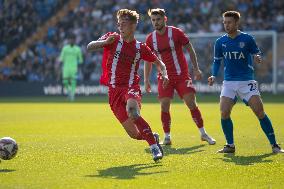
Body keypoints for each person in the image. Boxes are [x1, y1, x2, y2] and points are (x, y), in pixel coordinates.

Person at [87, 9, 169, 161]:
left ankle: (154, 148)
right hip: (113, 92)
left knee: (133, 111)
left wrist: (164, 73)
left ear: (133, 26)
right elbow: (89, 46)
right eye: (119, 24)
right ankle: (153, 137)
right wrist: (104, 43)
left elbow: (159, 63)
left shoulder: (140, 48)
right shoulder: (112, 38)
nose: (120, 27)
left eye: (123, 24)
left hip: (131, 87)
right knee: (134, 134)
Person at [208, 11, 284, 153]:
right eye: (224, 22)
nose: (226, 25)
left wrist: (257, 57)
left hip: (246, 81)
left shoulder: (247, 39)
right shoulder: (220, 42)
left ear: (237, 23)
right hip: (229, 82)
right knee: (224, 112)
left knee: (259, 112)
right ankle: (230, 145)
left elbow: (257, 52)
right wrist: (213, 75)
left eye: (229, 22)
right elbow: (217, 61)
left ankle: (275, 145)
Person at [144, 8, 216, 145]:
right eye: (153, 20)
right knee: (164, 105)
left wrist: (196, 68)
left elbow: (190, 48)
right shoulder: (150, 39)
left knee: (191, 103)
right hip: (164, 77)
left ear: (165, 19)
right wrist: (146, 80)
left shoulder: (176, 32)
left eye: (158, 19)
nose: (155, 22)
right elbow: (148, 60)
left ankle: (203, 133)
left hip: (182, 75)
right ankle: (167, 136)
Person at [59, 34, 83, 101]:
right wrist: (59, 66)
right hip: (66, 68)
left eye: (72, 39)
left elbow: (80, 60)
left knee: (73, 81)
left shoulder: (78, 49)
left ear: (74, 40)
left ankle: (72, 95)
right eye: (70, 39)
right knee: (65, 81)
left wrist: (79, 67)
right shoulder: (65, 48)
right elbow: (61, 59)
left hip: (74, 68)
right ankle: (69, 91)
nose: (71, 40)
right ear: (68, 40)